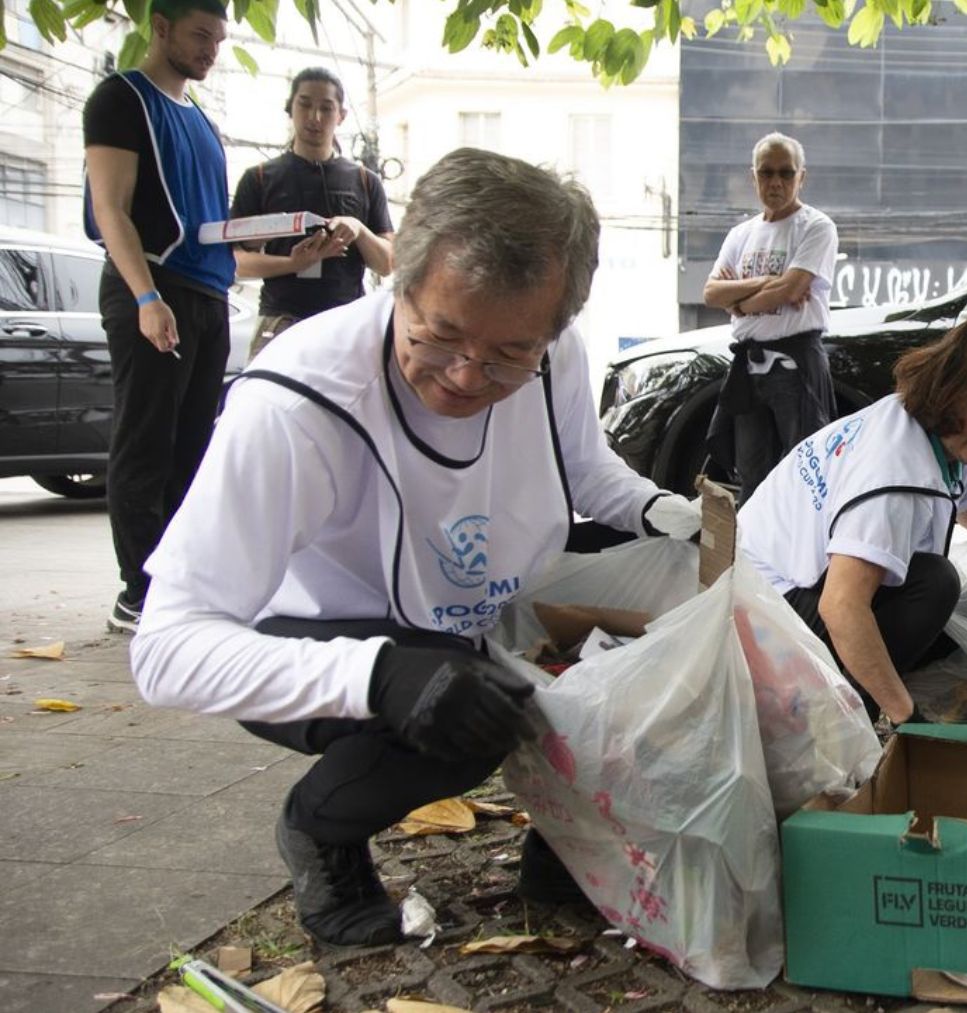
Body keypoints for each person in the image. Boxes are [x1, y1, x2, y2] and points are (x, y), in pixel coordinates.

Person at [128, 148, 703, 946]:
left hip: (473, 618)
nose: (469, 376)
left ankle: (565, 853)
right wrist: (376, 673)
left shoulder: (554, 353)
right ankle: (320, 828)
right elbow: (167, 648)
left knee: (667, 640)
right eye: (440, 336)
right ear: (398, 278)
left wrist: (670, 516)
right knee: (463, 703)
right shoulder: (298, 404)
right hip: (309, 638)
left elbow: (583, 465)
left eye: (509, 353)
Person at [736, 312, 967, 724]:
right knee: (934, 585)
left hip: (766, 587)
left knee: (958, 621)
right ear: (952, 387)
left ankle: (861, 694)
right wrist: (905, 714)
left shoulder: (928, 430)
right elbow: (842, 607)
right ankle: (836, 718)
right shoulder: (895, 479)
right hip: (760, 619)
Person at [82, 0, 236, 635]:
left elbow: (211, 227)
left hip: (207, 293)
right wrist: (147, 298)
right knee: (146, 440)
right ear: (162, 27)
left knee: (194, 448)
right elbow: (111, 208)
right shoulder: (120, 98)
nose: (210, 50)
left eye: (219, 40)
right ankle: (136, 589)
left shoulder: (200, 118)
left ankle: (178, 583)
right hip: (149, 283)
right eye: (201, 35)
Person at [702, 132, 839, 499]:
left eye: (785, 173)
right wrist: (768, 282)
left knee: (806, 471)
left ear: (801, 177)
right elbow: (712, 292)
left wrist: (742, 302)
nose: (775, 182)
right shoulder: (740, 234)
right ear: (754, 176)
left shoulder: (816, 226)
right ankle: (752, 554)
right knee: (751, 474)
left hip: (795, 367)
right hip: (749, 369)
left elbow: (792, 290)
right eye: (766, 173)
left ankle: (803, 554)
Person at [230, 67, 395, 356]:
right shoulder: (258, 178)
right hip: (280, 322)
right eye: (305, 104)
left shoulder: (366, 181)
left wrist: (358, 228)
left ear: (341, 115)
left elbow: (388, 263)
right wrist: (292, 263)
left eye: (326, 108)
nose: (314, 117)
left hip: (347, 324)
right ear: (290, 109)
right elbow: (236, 262)